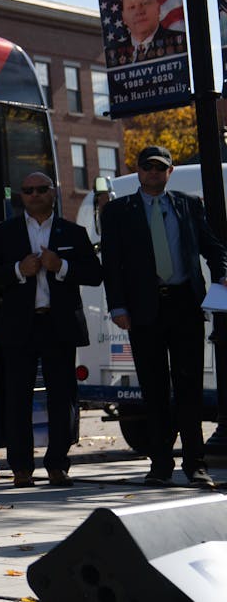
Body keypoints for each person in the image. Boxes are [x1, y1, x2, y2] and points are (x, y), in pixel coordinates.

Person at [99, 145, 226, 487]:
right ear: (138, 171)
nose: (153, 173)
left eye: (160, 168)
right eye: (147, 167)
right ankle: (160, 465)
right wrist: (118, 307)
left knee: (190, 388)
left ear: (170, 172)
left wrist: (221, 273)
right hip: (144, 308)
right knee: (154, 389)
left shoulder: (187, 204)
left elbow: (212, 247)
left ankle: (196, 465)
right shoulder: (117, 212)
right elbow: (111, 265)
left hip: (185, 305)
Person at [0, 172, 101, 487]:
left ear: (53, 192)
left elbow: (94, 273)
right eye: (28, 190)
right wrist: (18, 270)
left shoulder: (73, 233)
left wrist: (60, 266)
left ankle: (58, 465)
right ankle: (20, 467)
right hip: (19, 325)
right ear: (20, 196)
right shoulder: (3, 233)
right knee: (17, 397)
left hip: (58, 324)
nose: (34, 194)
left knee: (62, 397)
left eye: (41, 189)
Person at [105, 0, 186, 67]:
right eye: (132, 7)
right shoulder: (114, 53)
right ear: (124, 17)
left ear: (158, 9)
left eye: (145, 3)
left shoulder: (180, 41)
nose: (139, 11)